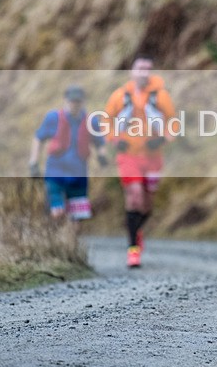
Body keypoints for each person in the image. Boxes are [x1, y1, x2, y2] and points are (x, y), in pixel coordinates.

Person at [103, 55, 177, 268]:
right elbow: (106, 120)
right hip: (128, 155)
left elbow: (173, 121)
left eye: (148, 68)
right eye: (140, 68)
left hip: (153, 157)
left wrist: (163, 139)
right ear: (132, 72)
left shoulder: (160, 96)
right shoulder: (120, 95)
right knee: (134, 195)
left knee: (146, 204)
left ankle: (137, 230)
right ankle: (133, 249)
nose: (144, 72)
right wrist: (115, 140)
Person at [29, 85, 108, 231]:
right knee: (57, 212)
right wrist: (34, 162)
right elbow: (39, 138)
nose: (75, 105)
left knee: (77, 218)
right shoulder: (53, 118)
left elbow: (100, 142)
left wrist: (102, 156)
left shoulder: (92, 121)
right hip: (56, 172)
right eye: (72, 101)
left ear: (83, 102)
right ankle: (53, 240)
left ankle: (70, 246)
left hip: (79, 173)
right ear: (66, 101)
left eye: (78, 101)